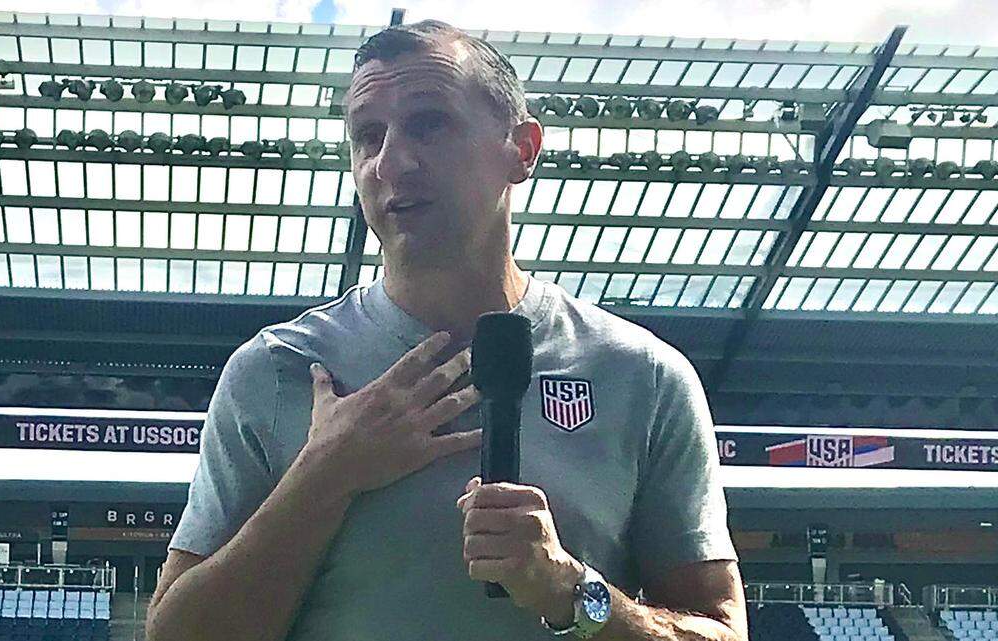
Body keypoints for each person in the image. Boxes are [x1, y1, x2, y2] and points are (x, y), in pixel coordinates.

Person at [146, 19, 746, 641]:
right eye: (368, 136)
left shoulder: (642, 376)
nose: (391, 161)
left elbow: (723, 631)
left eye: (429, 123)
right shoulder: (275, 371)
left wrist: (572, 592)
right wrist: (323, 474)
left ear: (522, 149)